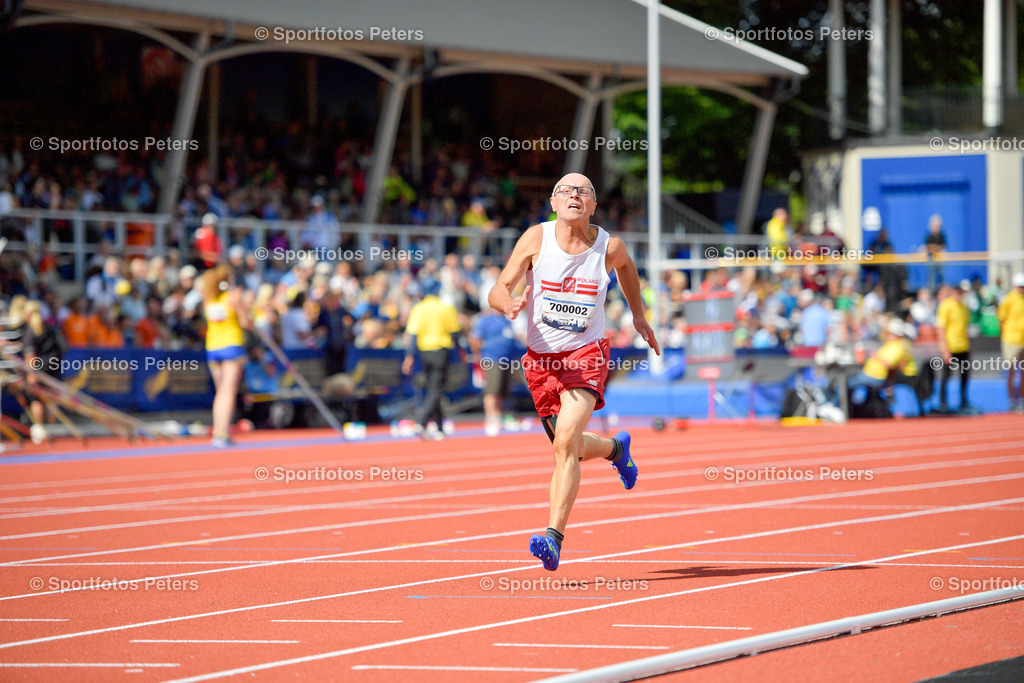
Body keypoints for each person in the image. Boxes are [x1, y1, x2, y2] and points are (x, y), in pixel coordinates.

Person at [488, 173, 660, 571]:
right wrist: (508, 303)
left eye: (584, 191)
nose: (575, 195)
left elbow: (627, 270)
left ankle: (553, 538)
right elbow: (498, 286)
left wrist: (638, 315)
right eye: (566, 190)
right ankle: (617, 449)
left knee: (565, 441)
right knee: (571, 447)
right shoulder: (536, 238)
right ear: (553, 202)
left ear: (594, 206)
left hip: (586, 353)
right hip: (541, 359)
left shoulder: (608, 246)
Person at [402, 278, 463, 440]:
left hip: (424, 351)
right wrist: (460, 352)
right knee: (436, 389)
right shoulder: (446, 308)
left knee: (432, 388)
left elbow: (413, 335)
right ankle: (421, 422)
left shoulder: (418, 308)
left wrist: (409, 356)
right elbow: (455, 333)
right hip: (441, 351)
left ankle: (440, 427)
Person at [203, 263, 251, 448]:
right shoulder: (233, 297)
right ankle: (222, 433)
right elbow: (245, 321)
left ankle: (219, 431)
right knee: (228, 391)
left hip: (213, 347)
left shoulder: (209, 300)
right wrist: (246, 310)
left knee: (220, 392)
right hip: (231, 345)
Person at [469, 307, 517, 436]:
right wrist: (478, 355)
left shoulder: (506, 320)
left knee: (501, 389)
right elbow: (474, 338)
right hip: (491, 358)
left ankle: (498, 415)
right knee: (492, 389)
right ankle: (491, 417)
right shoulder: (486, 320)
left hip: (506, 360)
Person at [935, 283, 974, 414]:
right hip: (951, 347)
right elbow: (941, 329)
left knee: (964, 377)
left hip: (963, 347)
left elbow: (965, 328)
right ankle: (943, 403)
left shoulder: (964, 307)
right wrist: (945, 350)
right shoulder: (946, 306)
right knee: (946, 376)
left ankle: (964, 402)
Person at [998, 272, 1024, 413]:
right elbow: (1001, 319)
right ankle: (1011, 401)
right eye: (1020, 286)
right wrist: (1007, 336)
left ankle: (1020, 401)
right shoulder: (1008, 299)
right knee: (1012, 372)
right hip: (1011, 341)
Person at [921, 214, 947, 291]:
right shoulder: (929, 236)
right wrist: (935, 248)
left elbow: (943, 246)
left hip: (939, 259)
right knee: (931, 275)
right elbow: (928, 247)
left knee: (940, 274)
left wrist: (935, 248)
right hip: (931, 258)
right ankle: (931, 290)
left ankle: (941, 288)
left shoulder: (941, 235)